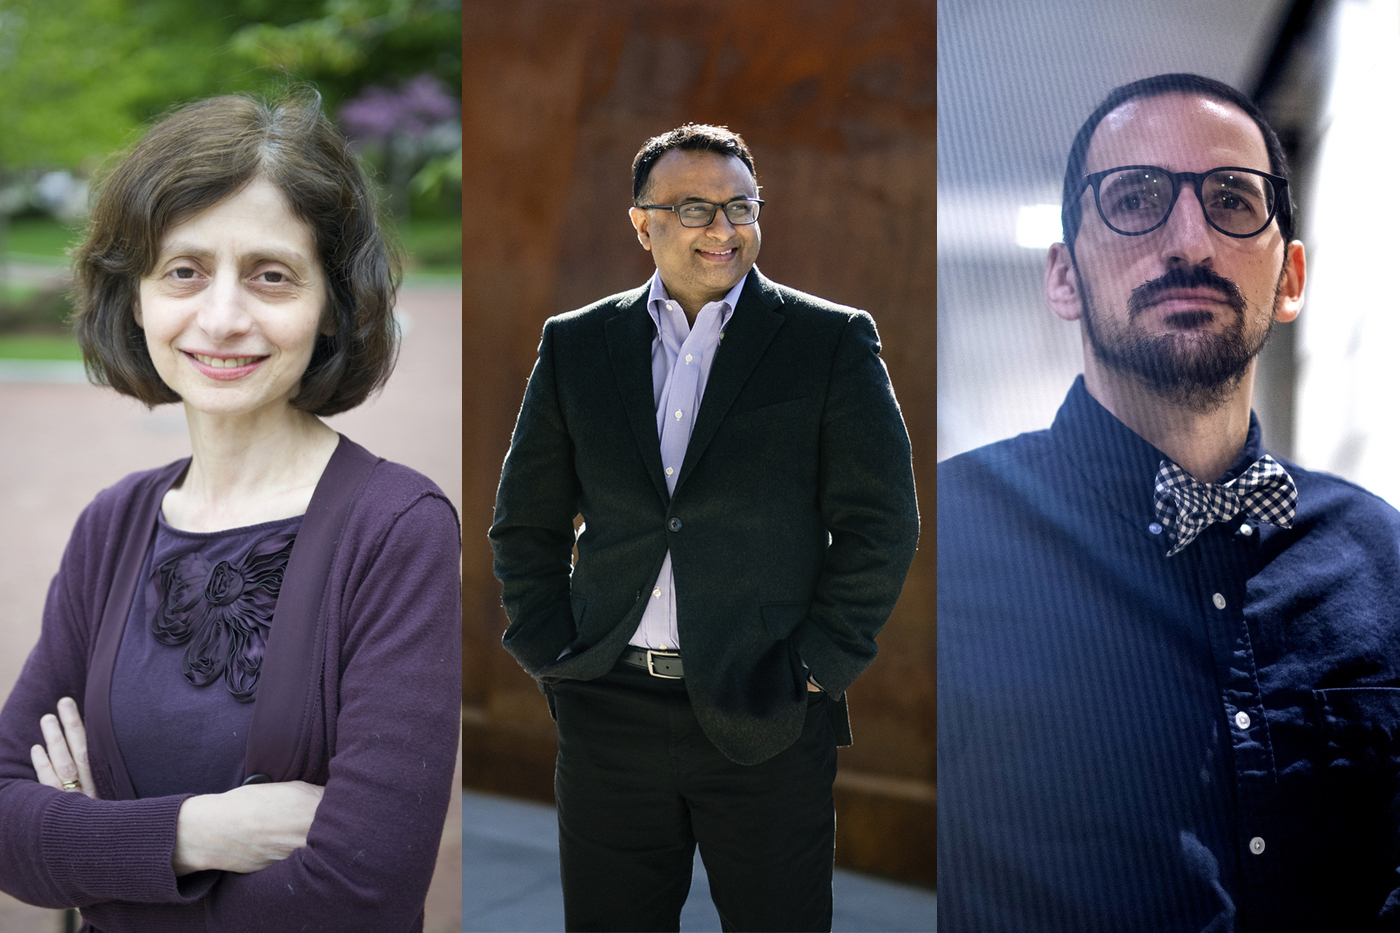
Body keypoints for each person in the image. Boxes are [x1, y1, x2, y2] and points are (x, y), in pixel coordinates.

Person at [938, 72, 1400, 930]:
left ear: (1290, 277)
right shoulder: (938, 547)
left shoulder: (1385, 559)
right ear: (1065, 276)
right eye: (1135, 198)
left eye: (1232, 199)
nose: (1189, 239)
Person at [0, 93, 461, 932]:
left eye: (270, 274)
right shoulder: (114, 525)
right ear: (136, 297)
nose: (221, 317)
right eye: (183, 270)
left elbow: (362, 893)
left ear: (331, 302)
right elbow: (3, 822)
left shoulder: (396, 528)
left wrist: (96, 854)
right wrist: (197, 833)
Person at [490, 123, 919, 931]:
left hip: (767, 708)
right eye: (695, 209)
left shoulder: (831, 341)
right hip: (609, 709)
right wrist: (556, 655)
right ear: (641, 222)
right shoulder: (577, 344)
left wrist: (819, 666)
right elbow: (525, 523)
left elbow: (883, 524)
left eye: (741, 207)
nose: (724, 229)